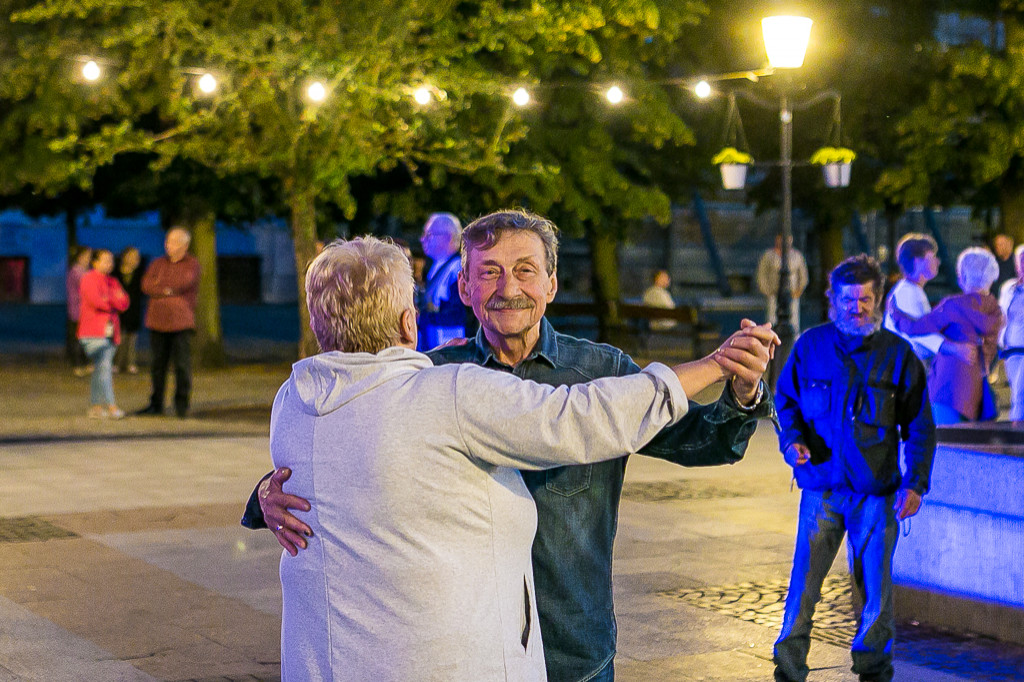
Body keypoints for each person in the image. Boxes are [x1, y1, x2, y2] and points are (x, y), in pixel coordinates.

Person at [246, 208, 778, 682]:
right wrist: (268, 494)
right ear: (464, 288)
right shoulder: (431, 377)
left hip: (572, 638)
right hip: (469, 640)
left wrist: (741, 388)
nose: (509, 287)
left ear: (551, 283)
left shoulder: (602, 371)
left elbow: (710, 445)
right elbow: (346, 444)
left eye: (525, 270)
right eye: (489, 272)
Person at [773, 255, 935, 682]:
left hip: (876, 496)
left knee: (875, 595)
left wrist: (915, 484)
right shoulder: (810, 345)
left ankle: (874, 670)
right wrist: (792, 442)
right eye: (849, 299)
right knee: (803, 587)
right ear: (833, 299)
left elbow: (920, 426)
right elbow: (785, 401)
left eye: (865, 299)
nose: (856, 308)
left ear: (877, 299)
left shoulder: (899, 356)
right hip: (821, 491)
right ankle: (788, 670)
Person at [889, 247, 1003, 425]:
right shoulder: (995, 311)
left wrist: (895, 313)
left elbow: (916, 328)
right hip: (975, 389)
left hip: (946, 387)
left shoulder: (953, 306)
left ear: (964, 277)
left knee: (944, 441)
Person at [136, 227, 201, 418]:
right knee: (158, 365)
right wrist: (167, 290)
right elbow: (146, 284)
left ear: (184, 245)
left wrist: (161, 288)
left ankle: (181, 405)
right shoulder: (158, 263)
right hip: (157, 321)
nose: (168, 245)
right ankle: (156, 403)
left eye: (173, 242)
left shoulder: (191, 264)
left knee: (181, 365)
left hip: (180, 322)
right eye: (167, 241)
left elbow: (183, 283)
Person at [77, 249, 130, 419]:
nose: (110, 264)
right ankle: (111, 406)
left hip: (110, 332)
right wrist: (112, 300)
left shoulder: (113, 281)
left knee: (101, 368)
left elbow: (124, 302)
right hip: (93, 332)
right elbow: (97, 301)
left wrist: (110, 299)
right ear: (95, 262)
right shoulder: (88, 279)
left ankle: (96, 407)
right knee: (105, 367)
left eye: (111, 260)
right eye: (106, 260)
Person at [882, 234, 947, 370]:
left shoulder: (910, 290)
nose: (938, 261)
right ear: (917, 262)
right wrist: (954, 349)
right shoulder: (908, 292)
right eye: (933, 256)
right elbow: (922, 333)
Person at [418, 212, 467, 349]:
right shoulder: (439, 267)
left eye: (429, 235)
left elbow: (457, 313)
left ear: (448, 238)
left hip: (451, 351)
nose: (422, 240)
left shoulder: (457, 270)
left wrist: (422, 317)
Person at [756, 234, 809, 333]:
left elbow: (803, 275)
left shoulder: (797, 256)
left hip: (792, 295)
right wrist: (767, 291)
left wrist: (798, 291)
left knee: (793, 322)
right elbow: (762, 274)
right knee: (771, 321)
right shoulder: (768, 255)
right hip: (774, 294)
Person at [999, 244, 1024, 421]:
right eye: (1021, 260)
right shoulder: (1009, 288)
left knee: (1020, 394)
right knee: (1016, 390)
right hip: (1010, 350)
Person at [113, 246, 143, 374]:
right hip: (118, 311)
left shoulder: (140, 274)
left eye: (136, 257)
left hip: (134, 311)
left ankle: (130, 363)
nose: (134, 259)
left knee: (132, 340)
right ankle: (116, 363)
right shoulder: (115, 273)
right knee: (119, 338)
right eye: (131, 256)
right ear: (124, 257)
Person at [66, 245, 92, 377]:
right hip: (78, 311)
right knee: (78, 339)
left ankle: (85, 363)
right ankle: (77, 365)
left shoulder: (84, 271)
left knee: (85, 338)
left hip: (85, 311)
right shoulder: (76, 271)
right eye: (87, 256)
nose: (89, 259)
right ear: (80, 257)